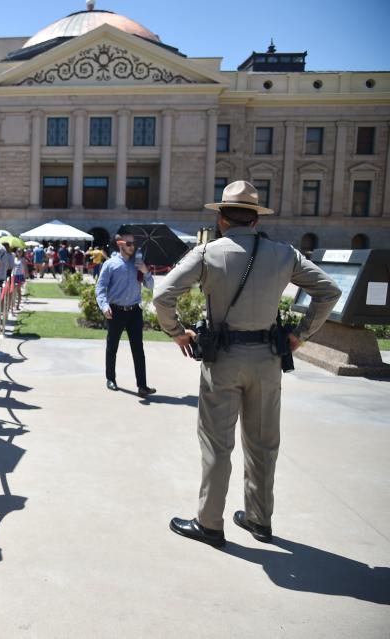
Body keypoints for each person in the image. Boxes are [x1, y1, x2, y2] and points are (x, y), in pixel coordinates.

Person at [155, 181, 341, 547]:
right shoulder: (284, 253)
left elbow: (163, 295)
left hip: (223, 359)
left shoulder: (207, 253)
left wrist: (177, 333)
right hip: (268, 359)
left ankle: (210, 523)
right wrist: (302, 333)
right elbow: (329, 291)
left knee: (216, 444)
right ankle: (259, 519)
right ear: (255, 220)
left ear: (222, 219)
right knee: (263, 443)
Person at [96, 232, 156, 398]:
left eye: (134, 244)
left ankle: (142, 386)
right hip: (116, 311)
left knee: (138, 349)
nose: (132, 246)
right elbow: (100, 288)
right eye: (129, 244)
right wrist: (104, 306)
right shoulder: (110, 264)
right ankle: (111, 379)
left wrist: (146, 271)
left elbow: (150, 286)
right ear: (120, 244)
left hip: (134, 311)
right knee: (112, 347)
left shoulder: (139, 264)